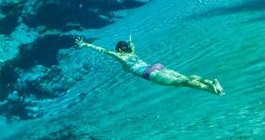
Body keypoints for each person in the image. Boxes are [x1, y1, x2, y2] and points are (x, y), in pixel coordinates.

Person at [75, 36, 224, 96]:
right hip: (157, 66)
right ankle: (211, 81)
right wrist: (130, 41)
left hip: (149, 73)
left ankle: (211, 90)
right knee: (185, 77)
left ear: (119, 50)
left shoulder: (120, 56)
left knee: (182, 82)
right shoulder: (132, 51)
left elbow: (102, 50)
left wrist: (85, 44)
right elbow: (132, 44)